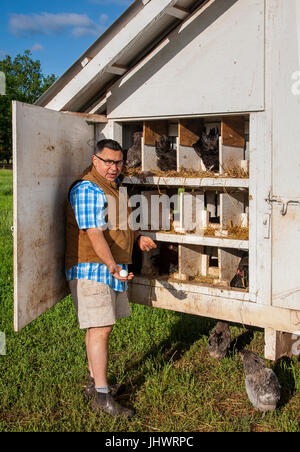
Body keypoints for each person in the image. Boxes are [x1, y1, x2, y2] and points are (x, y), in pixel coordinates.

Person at [65, 139, 156, 418]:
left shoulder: (112, 188)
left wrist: (137, 239)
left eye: (118, 162)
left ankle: (95, 384)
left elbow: (117, 225)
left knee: (98, 328)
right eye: (108, 161)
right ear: (95, 160)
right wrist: (113, 267)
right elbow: (94, 233)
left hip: (108, 267)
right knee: (100, 329)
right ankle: (102, 397)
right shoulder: (87, 188)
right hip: (93, 269)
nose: (114, 167)